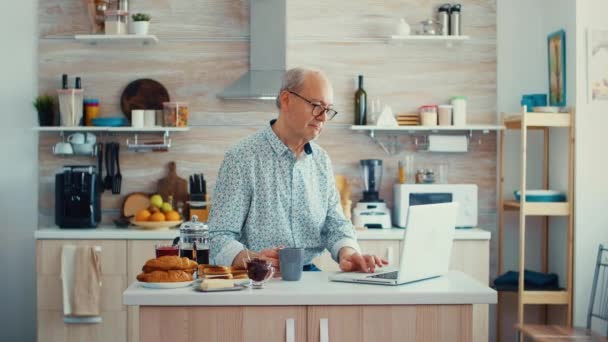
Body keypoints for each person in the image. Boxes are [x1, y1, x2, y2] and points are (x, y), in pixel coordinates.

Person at [209, 67, 387, 273]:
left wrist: (348, 253)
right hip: (256, 279)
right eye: (316, 106)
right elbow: (217, 236)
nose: (323, 117)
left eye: (328, 109)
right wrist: (251, 259)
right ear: (286, 100)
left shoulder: (321, 160)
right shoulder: (242, 158)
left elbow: (335, 224)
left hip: (308, 274)